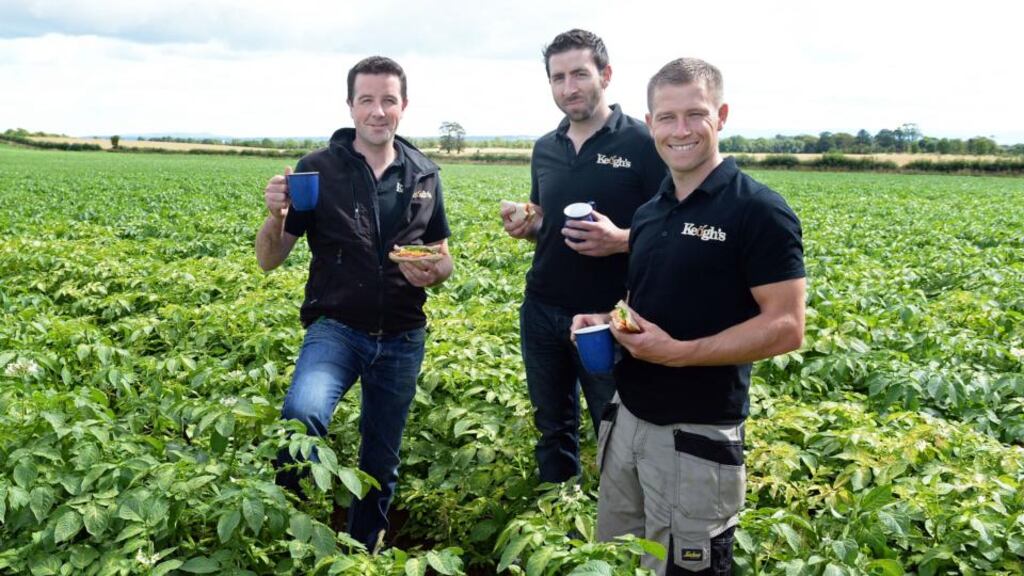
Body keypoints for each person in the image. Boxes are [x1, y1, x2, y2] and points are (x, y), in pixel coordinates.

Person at [572, 58, 806, 575]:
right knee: (618, 561)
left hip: (695, 435)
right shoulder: (652, 211)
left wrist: (681, 355)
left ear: (720, 116)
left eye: (694, 114)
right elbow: (650, 303)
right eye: (666, 116)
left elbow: (788, 326)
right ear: (650, 122)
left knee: (685, 568)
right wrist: (605, 321)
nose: (680, 130)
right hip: (628, 419)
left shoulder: (758, 210)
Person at [255, 56, 453, 552]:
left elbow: (443, 258)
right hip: (337, 328)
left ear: (403, 106)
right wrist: (274, 215)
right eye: (367, 100)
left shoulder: (425, 174)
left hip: (404, 335)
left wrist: (433, 269)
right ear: (351, 106)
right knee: (302, 414)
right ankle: (295, 528)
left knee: (379, 460)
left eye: (388, 100)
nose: (378, 111)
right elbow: (269, 259)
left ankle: (362, 552)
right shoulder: (317, 170)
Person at [500, 29, 666, 484]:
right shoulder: (545, 149)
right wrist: (528, 224)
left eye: (579, 74)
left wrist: (622, 239)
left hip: (608, 315)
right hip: (542, 308)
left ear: (606, 75)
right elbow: (546, 223)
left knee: (616, 429)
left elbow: (671, 232)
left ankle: (619, 535)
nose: (569, 87)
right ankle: (560, 521)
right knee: (551, 429)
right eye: (558, 78)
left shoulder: (643, 143)